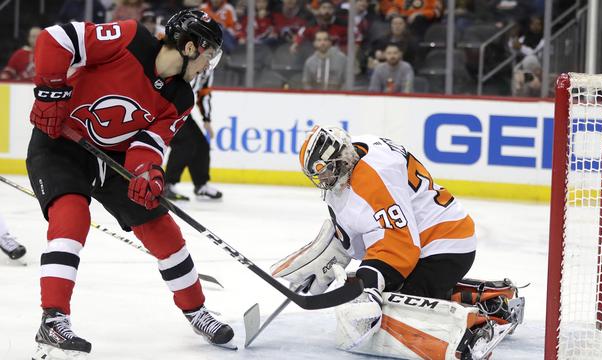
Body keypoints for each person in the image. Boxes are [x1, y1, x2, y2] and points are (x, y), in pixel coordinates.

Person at [26, 9, 233, 359]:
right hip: (61, 144)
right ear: (190, 48)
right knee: (71, 216)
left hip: (115, 160)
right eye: (208, 54)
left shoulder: (181, 98)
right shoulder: (130, 38)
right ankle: (54, 318)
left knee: (160, 228)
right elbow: (55, 39)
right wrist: (51, 92)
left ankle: (197, 310)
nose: (207, 65)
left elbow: (148, 144)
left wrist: (148, 172)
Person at [272, 125, 479, 357]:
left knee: (398, 311)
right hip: (425, 239)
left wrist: (367, 283)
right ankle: (458, 292)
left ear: (339, 159)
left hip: (445, 244)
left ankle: (484, 301)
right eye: (318, 174)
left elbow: (400, 247)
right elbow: (366, 231)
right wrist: (336, 248)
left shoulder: (376, 178)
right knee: (388, 294)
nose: (324, 179)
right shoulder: (355, 154)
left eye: (326, 170)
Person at [164, 67, 224, 201]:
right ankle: (167, 185)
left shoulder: (209, 67)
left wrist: (206, 119)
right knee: (185, 143)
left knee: (201, 144)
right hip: (165, 107)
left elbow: (204, 93)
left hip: (181, 110)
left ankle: (201, 185)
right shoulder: (187, 58)